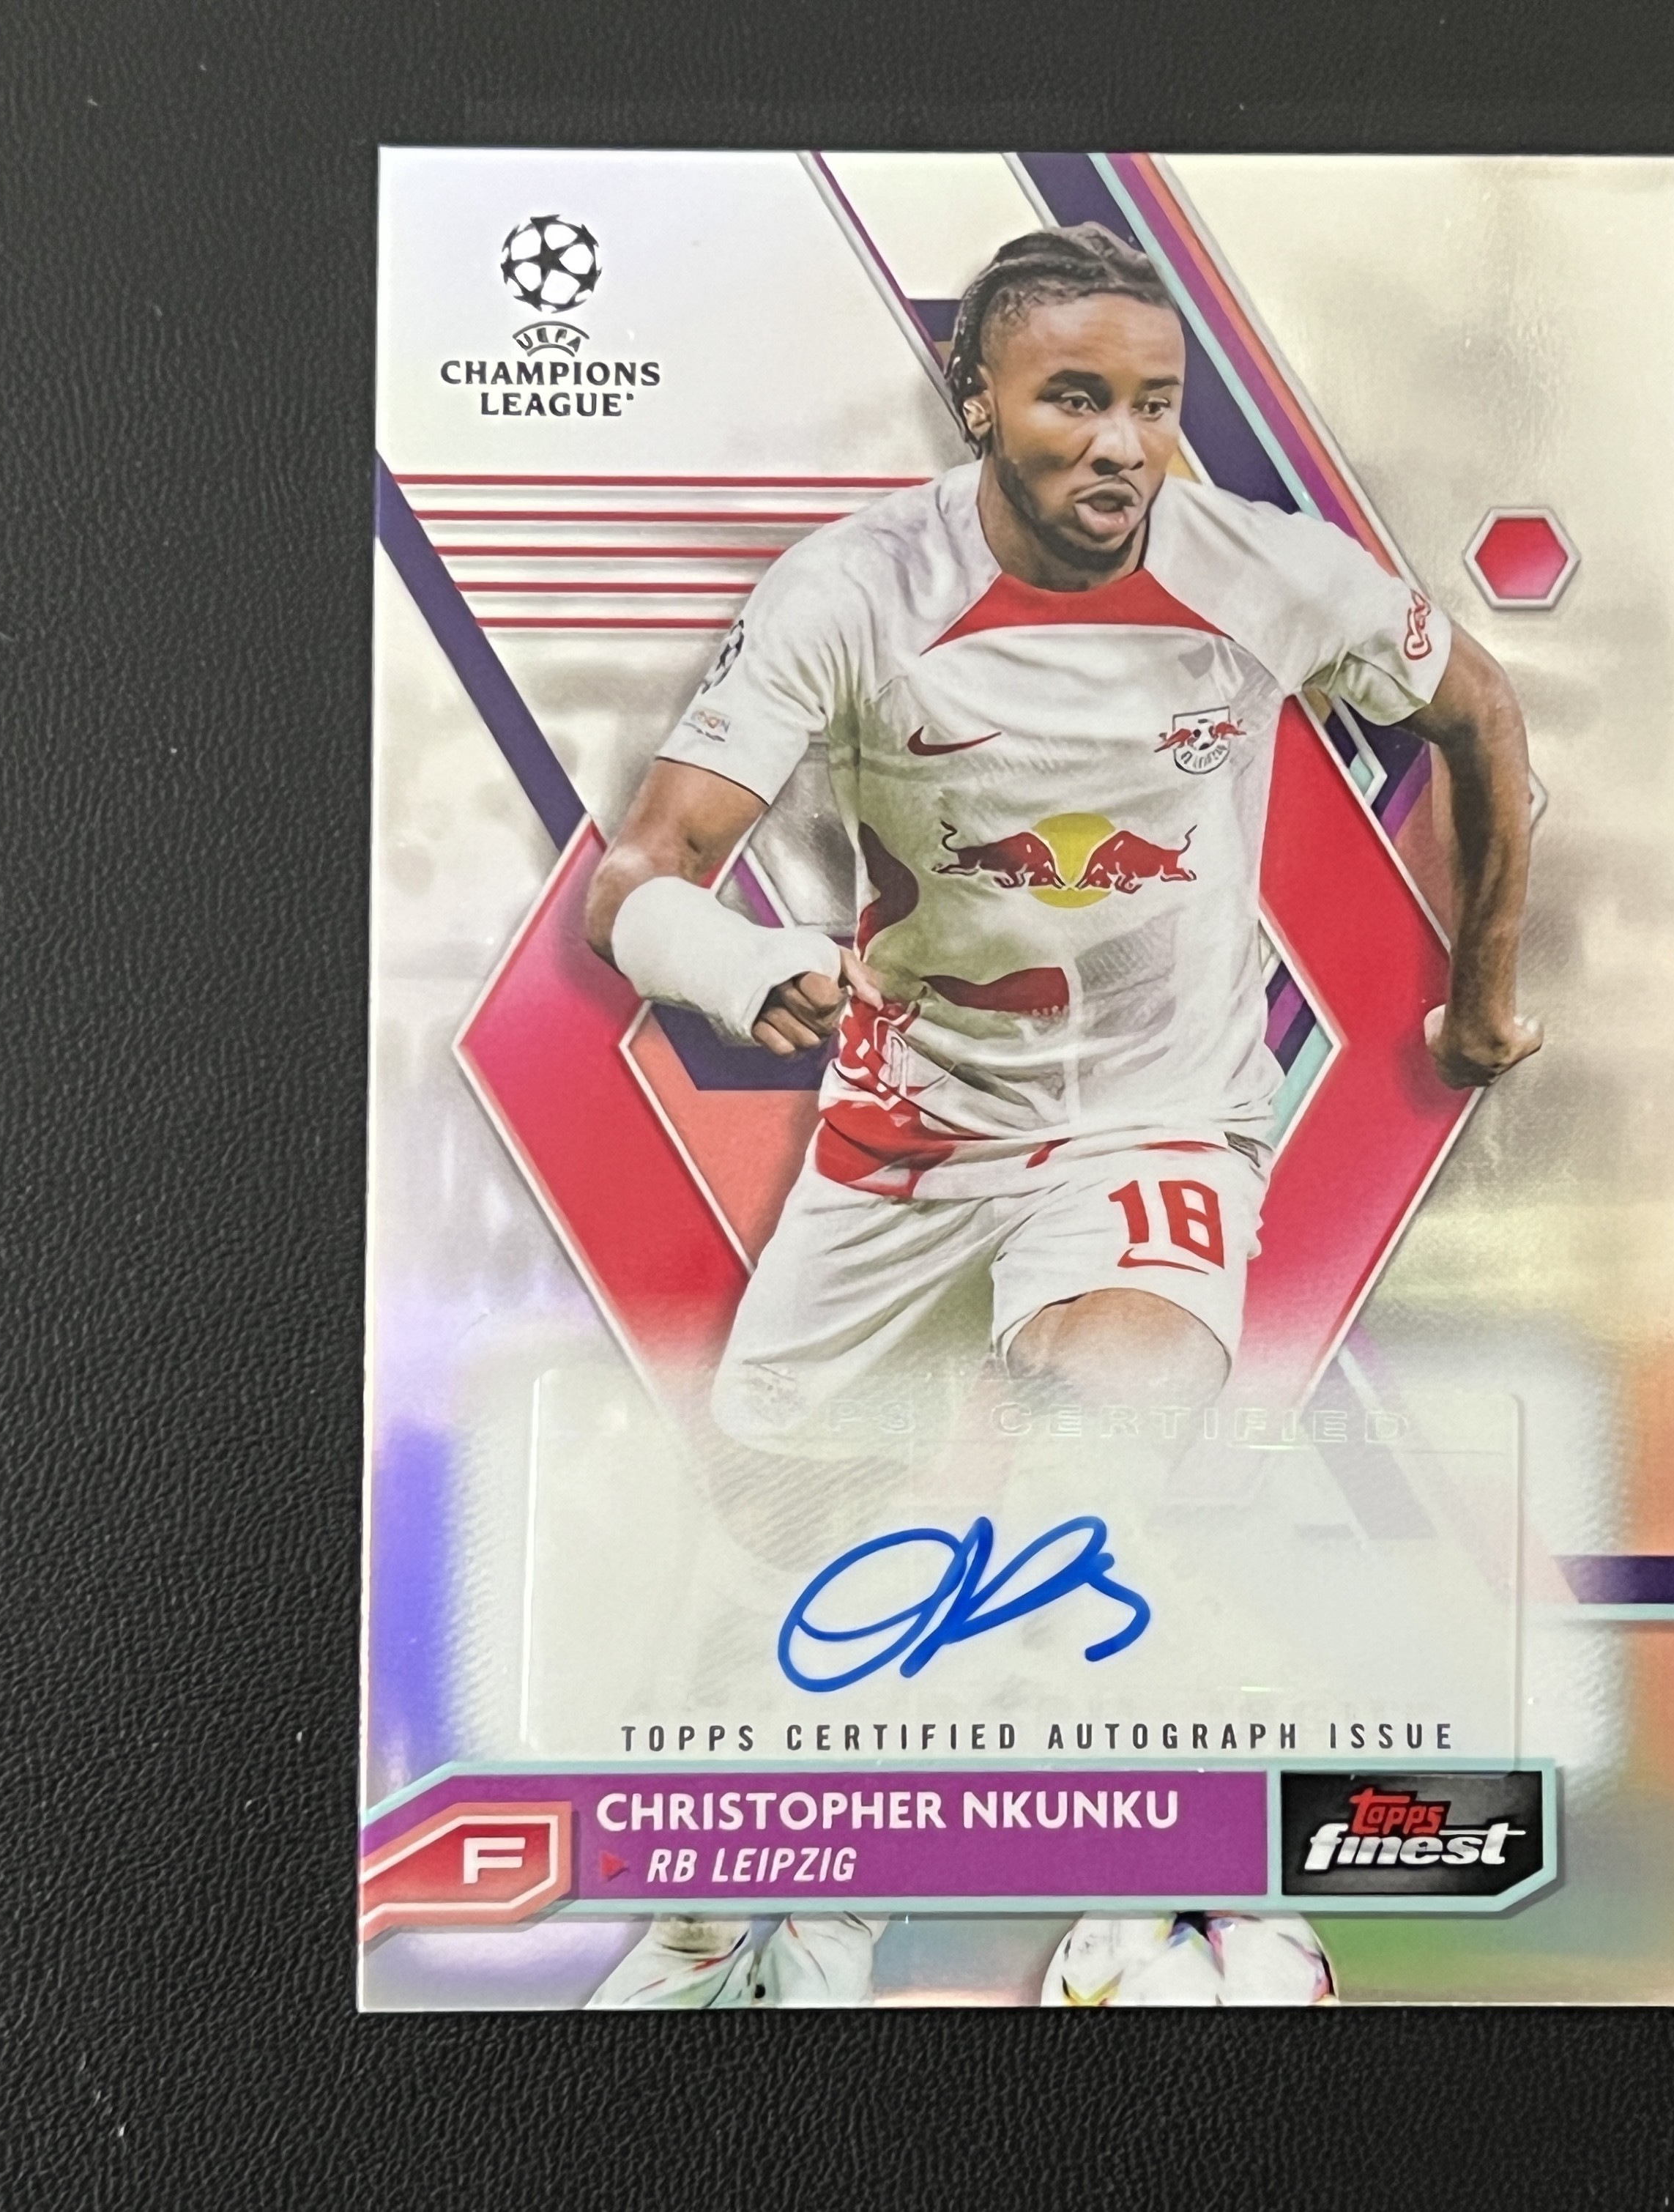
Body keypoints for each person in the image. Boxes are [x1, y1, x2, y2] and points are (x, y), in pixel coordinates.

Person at [580, 223, 1540, 2008]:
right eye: (1073, 399)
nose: (1121, 444)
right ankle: (741, 1907)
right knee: (776, 1543)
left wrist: (1477, 997)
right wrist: (730, 959)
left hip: (1153, 1122)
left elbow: (1477, 709)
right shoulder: (851, 592)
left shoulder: (1268, 571)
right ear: (977, 402)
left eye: (1153, 405)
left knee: (1100, 1422)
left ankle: (1179, 1888)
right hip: (905, 1131)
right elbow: (638, 876)